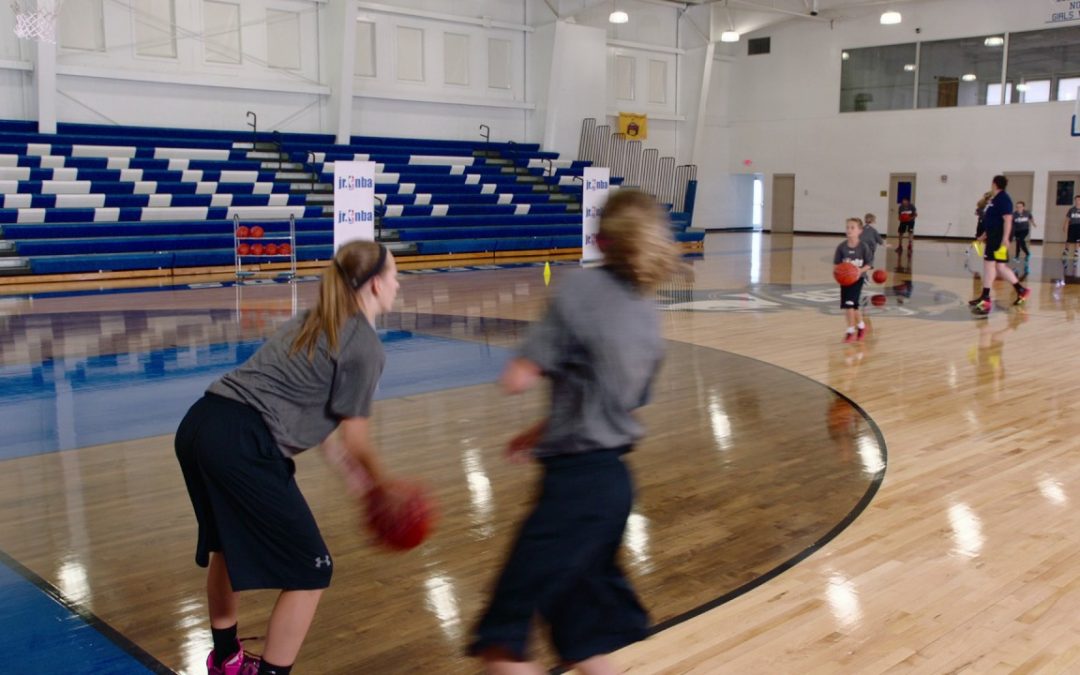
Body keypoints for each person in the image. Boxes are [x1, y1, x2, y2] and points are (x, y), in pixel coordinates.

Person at [468, 189, 679, 675]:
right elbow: (616, 402)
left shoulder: (579, 290)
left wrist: (527, 359)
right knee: (581, 640)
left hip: (574, 491)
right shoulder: (648, 314)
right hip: (611, 488)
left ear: (600, 238)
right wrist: (542, 430)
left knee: (500, 644)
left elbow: (516, 378)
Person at [175, 241, 401, 675]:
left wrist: (355, 481)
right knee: (312, 568)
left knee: (224, 546)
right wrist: (384, 488)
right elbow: (356, 439)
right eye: (393, 275)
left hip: (200, 424)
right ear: (374, 286)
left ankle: (226, 659)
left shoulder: (313, 322)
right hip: (241, 441)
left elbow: (324, 427)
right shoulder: (365, 346)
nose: (397, 283)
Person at [971, 176, 1030, 315]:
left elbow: (1008, 219)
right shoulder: (995, 200)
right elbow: (993, 220)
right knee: (999, 266)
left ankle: (985, 299)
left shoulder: (1003, 199)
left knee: (989, 265)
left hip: (998, 239)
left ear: (994, 184)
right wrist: (983, 235)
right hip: (993, 236)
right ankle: (1021, 290)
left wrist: (1005, 238)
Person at [835, 217, 873, 343]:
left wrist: (859, 271)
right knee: (851, 306)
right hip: (845, 281)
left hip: (857, 279)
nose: (849, 230)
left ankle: (850, 331)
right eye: (847, 227)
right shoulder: (841, 247)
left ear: (860, 231)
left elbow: (869, 264)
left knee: (850, 304)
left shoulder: (863, 247)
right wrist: (839, 274)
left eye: (852, 227)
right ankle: (861, 326)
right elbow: (836, 265)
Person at [1011, 201, 1036, 273]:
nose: (1018, 208)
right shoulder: (1014, 214)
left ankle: (1027, 254)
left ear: (1023, 207)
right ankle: (1017, 256)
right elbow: (1011, 223)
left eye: (1020, 206)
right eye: (1017, 207)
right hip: (1017, 231)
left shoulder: (1027, 213)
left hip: (1025, 230)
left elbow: (1031, 218)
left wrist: (1033, 223)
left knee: (1021, 240)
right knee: (1018, 242)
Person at [1064, 195, 1080, 271]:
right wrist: (1065, 226)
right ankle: (1066, 250)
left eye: (1079, 200)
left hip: (1079, 226)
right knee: (1069, 239)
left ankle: (1076, 251)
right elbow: (1067, 219)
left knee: (1078, 240)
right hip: (1072, 226)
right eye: (1076, 200)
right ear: (1075, 201)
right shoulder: (1071, 210)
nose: (1078, 201)